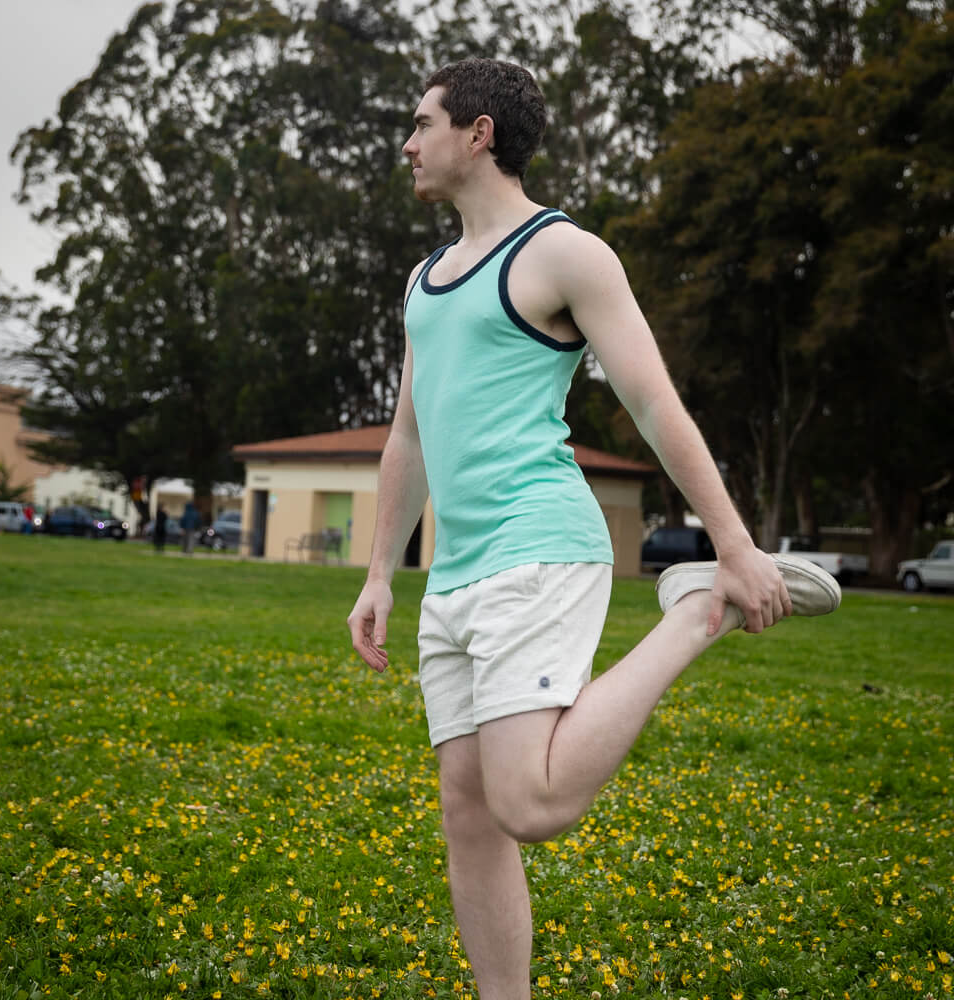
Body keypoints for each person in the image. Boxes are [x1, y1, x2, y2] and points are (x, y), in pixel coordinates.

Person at [346, 57, 840, 999]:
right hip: (455, 575)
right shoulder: (424, 280)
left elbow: (655, 403)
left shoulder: (566, 255)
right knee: (469, 814)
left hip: (541, 544)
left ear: (478, 133)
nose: (408, 144)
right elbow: (408, 435)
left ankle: (697, 613)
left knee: (527, 803)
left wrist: (732, 546)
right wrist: (381, 573)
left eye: (421, 123)